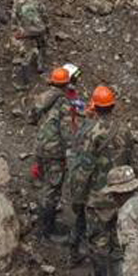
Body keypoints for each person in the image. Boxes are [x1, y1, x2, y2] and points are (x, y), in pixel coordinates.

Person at [68, 85, 133, 276]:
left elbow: (84, 168)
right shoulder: (124, 129)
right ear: (113, 106)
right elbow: (131, 162)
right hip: (121, 195)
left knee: (98, 242)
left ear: (94, 107)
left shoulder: (92, 132)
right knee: (118, 241)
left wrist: (77, 197)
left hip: (98, 198)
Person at [29, 65, 85, 240]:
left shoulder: (45, 97)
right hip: (55, 151)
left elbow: (32, 118)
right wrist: (72, 153)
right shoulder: (63, 103)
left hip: (42, 147)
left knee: (47, 185)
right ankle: (45, 231)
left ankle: (43, 224)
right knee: (52, 189)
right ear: (67, 82)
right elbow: (66, 131)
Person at [11, 0, 49, 86]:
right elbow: (44, 14)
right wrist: (47, 26)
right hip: (39, 29)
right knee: (42, 45)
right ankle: (40, 65)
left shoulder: (17, 0)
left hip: (26, 31)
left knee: (26, 51)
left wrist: (15, 30)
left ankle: (25, 75)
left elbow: (14, 17)